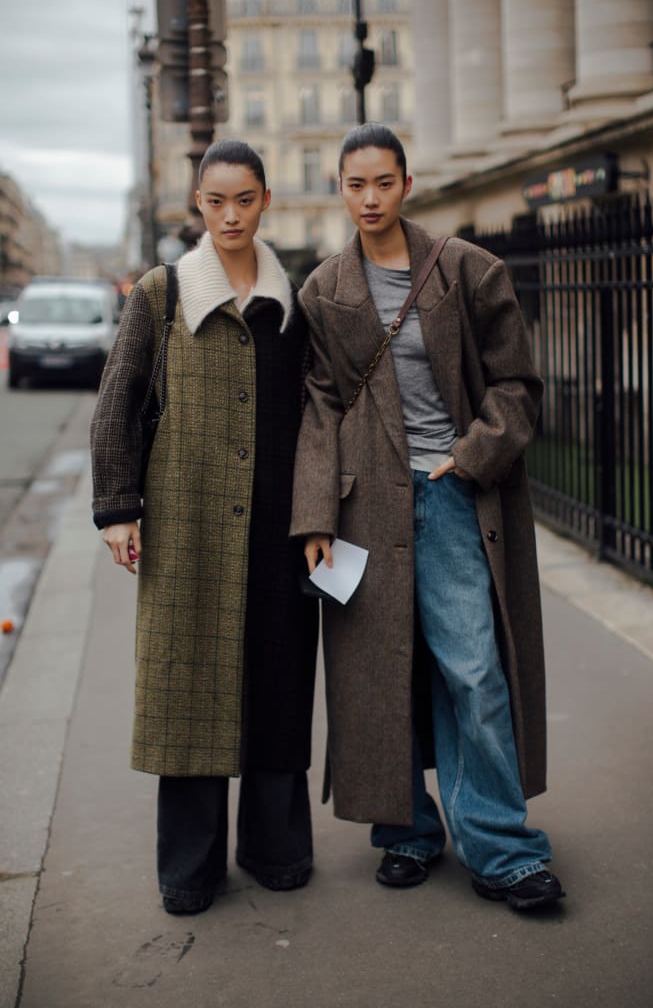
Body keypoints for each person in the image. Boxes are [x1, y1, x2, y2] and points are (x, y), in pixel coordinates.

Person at [290, 123, 565, 911]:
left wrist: (470, 455)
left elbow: (517, 387)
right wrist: (313, 518)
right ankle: (406, 832)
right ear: (340, 190)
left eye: (383, 181)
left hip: (448, 496)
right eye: (354, 184)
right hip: (361, 505)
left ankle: (503, 849)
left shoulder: (469, 271)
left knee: (473, 670)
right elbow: (319, 410)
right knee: (383, 673)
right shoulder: (323, 290)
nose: (369, 197)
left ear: (407, 183)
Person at [90, 139, 318, 915]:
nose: (230, 214)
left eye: (244, 199)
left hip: (279, 524)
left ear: (265, 201)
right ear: (198, 204)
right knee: (189, 687)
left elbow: (319, 416)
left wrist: (318, 514)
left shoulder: (295, 305)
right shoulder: (162, 292)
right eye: (215, 200)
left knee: (279, 682)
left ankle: (275, 848)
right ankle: (190, 869)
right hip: (186, 523)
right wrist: (119, 509)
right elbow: (116, 403)